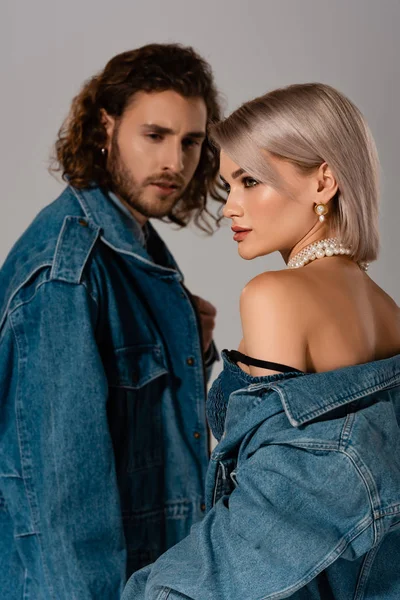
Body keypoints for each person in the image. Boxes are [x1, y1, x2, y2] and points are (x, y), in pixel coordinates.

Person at [122, 83, 400, 599]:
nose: (231, 207)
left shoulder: (275, 295)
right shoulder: (388, 311)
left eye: (250, 181)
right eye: (229, 185)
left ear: (324, 182)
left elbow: (262, 521)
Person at [0, 43, 224, 599]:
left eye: (190, 141)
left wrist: (189, 346)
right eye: (155, 135)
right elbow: (60, 502)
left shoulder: (133, 244)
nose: (175, 161)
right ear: (106, 127)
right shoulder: (68, 271)